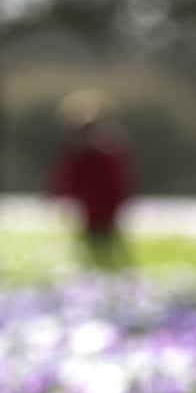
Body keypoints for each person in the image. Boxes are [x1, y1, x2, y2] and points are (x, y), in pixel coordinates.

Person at [47, 89, 134, 268]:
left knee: (101, 235)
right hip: (99, 201)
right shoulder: (107, 147)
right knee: (103, 235)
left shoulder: (90, 151)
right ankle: (106, 266)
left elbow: (70, 176)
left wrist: (57, 192)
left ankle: (106, 266)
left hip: (99, 200)